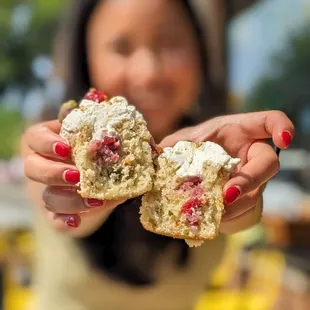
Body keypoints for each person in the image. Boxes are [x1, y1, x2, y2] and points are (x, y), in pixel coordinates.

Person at [21, 1, 294, 309]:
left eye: (170, 43)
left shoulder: (218, 154)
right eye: (121, 48)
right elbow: (55, 210)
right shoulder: (54, 141)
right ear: (87, 59)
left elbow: (240, 218)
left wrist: (241, 200)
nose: (148, 72)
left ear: (199, 52)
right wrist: (78, 201)